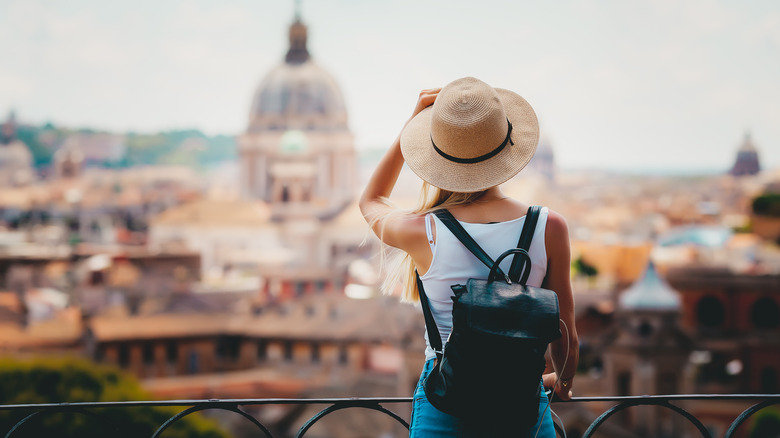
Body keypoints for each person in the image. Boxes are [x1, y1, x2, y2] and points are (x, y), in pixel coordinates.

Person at [359, 77, 579, 437]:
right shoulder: (550, 226)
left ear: (435, 153)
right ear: (506, 147)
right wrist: (564, 384)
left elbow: (370, 202)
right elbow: (565, 334)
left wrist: (407, 132)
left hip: (445, 405)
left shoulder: (423, 231)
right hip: (522, 406)